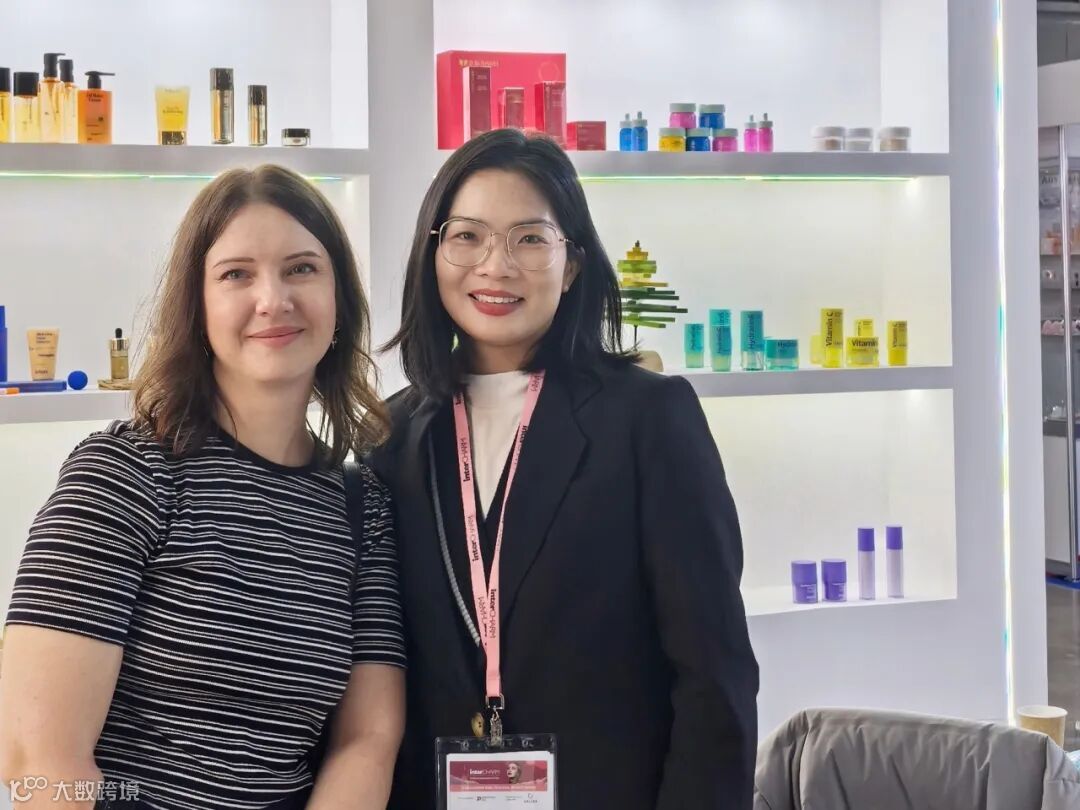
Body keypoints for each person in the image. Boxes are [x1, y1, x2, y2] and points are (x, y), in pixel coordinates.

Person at [371, 129, 759, 810]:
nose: (496, 265)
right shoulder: (389, 436)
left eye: (530, 238)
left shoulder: (648, 418)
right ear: (432, 254)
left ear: (573, 265)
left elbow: (714, 673)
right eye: (467, 237)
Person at [0, 165, 406, 810]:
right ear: (198, 308)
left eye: (301, 268)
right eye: (236, 274)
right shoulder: (126, 471)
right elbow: (36, 758)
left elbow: (368, 739)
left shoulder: (363, 508)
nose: (272, 299)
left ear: (341, 302)